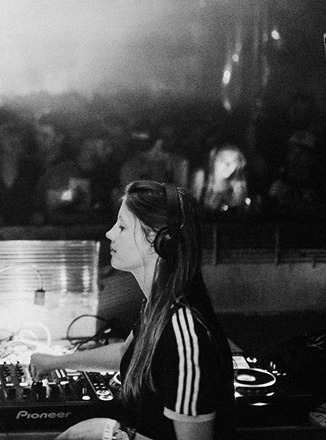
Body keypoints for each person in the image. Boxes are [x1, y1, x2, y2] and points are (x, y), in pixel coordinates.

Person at [31, 181, 234, 440]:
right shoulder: (156, 306)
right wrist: (56, 362)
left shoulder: (185, 334)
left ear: (159, 240)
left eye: (122, 227)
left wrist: (109, 433)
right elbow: (125, 355)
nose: (110, 233)